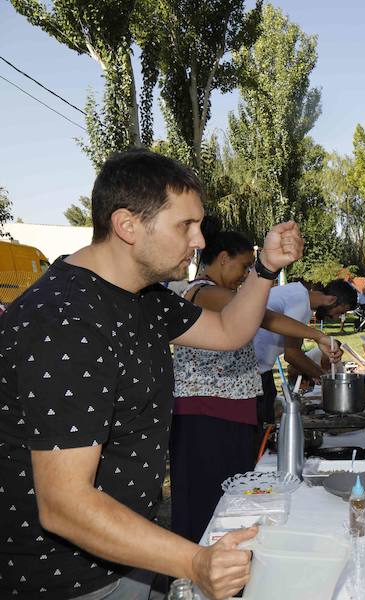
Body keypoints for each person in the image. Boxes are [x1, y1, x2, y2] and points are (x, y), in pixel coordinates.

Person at [0, 149, 303, 600]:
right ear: (127, 225)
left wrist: (263, 269)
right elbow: (65, 506)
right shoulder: (65, 321)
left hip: (130, 554)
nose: (200, 240)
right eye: (186, 225)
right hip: (66, 580)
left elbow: (227, 331)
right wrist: (195, 562)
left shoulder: (142, 296)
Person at [169, 218, 340, 543]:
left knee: (235, 502)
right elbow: (263, 316)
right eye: (245, 266)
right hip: (205, 416)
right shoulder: (202, 292)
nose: (248, 275)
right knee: (207, 505)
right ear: (223, 259)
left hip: (230, 412)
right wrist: (315, 334)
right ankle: (195, 572)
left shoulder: (223, 293)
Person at [252, 278, 355, 424]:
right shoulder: (300, 303)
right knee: (259, 430)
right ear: (332, 300)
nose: (336, 318)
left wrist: (318, 341)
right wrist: (329, 381)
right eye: (340, 312)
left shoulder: (297, 293)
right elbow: (292, 355)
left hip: (259, 371)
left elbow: (294, 350)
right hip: (254, 374)